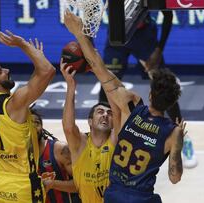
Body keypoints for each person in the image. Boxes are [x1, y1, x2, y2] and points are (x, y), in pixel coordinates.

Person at [64, 10, 186, 203]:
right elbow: (175, 177)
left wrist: (79, 33)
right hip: (142, 198)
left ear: (150, 94)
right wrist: (178, 145)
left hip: (113, 195)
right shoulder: (173, 133)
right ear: (172, 102)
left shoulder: (132, 106)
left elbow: (97, 66)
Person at [101, 11, 198, 169]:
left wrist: (159, 49)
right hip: (118, 32)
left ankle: (183, 138)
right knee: (106, 84)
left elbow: (168, 15)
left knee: (163, 86)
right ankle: (104, 141)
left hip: (143, 36)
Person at [0, 30, 56, 203]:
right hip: (22, 185)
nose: (7, 70)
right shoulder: (14, 104)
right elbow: (47, 71)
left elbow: (35, 81)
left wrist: (37, 60)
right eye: (1, 71)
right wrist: (23, 46)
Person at [60, 60, 120, 203]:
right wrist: (71, 86)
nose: (105, 115)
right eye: (100, 112)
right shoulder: (80, 144)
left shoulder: (115, 139)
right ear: (90, 121)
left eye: (109, 113)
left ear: (113, 123)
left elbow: (119, 103)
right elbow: (68, 126)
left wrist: (100, 71)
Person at [30, 108, 82, 203]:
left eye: (36, 123)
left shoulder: (60, 150)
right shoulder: (17, 154)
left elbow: (81, 184)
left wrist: (52, 184)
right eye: (28, 123)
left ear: (42, 127)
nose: (33, 126)